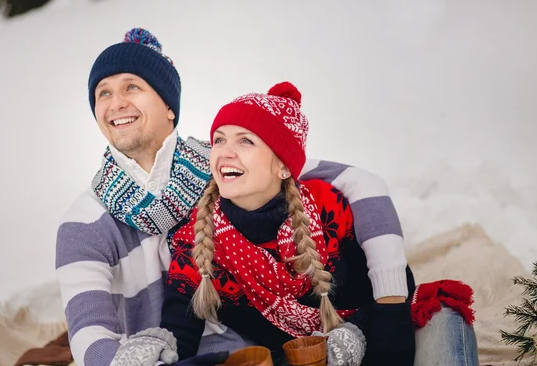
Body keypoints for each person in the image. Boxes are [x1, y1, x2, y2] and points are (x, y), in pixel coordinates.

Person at [55, 28, 412, 366]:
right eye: (103, 92)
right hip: (181, 355)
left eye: (131, 87)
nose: (115, 103)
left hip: (267, 343)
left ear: (168, 105)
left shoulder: (223, 165)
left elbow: (360, 182)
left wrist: (391, 302)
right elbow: (89, 334)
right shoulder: (83, 223)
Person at [159, 82, 416, 365]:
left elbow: (393, 287)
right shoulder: (197, 237)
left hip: (379, 338)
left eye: (245, 141)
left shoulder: (326, 207)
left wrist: (355, 334)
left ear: (283, 166)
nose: (225, 152)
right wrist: (156, 352)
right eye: (219, 140)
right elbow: (178, 339)